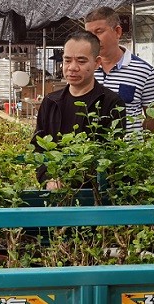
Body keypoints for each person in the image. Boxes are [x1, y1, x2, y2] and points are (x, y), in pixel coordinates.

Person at [33, 31, 125, 189]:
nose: (72, 68)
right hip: (55, 191)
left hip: (94, 193)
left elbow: (111, 153)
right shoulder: (51, 102)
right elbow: (38, 147)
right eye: (67, 60)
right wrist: (48, 179)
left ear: (97, 63)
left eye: (81, 61)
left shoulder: (110, 103)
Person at [84, 6, 154, 132]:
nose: (94, 39)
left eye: (99, 32)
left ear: (117, 32)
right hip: (88, 144)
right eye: (89, 35)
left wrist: (138, 141)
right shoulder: (84, 69)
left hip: (127, 145)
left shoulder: (144, 72)